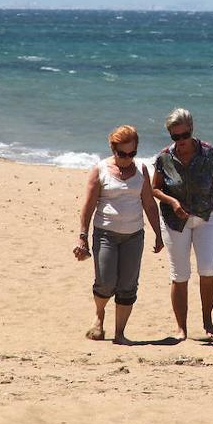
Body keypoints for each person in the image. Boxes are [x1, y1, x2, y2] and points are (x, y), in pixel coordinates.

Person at [151, 108, 213, 341]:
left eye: (184, 136)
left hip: (208, 216)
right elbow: (154, 188)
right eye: (175, 137)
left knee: (207, 270)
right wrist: (173, 202)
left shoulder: (208, 153)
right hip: (175, 221)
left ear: (191, 131)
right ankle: (181, 328)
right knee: (180, 274)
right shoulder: (164, 158)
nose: (180, 142)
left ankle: (208, 322)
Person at [73, 125, 164, 344]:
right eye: (122, 154)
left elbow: (150, 205)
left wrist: (158, 234)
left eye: (131, 153)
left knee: (128, 285)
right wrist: (83, 235)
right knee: (105, 282)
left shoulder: (141, 170)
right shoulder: (100, 169)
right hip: (105, 234)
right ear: (113, 149)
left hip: (134, 235)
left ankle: (120, 333)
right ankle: (99, 316)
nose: (127, 158)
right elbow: (89, 205)